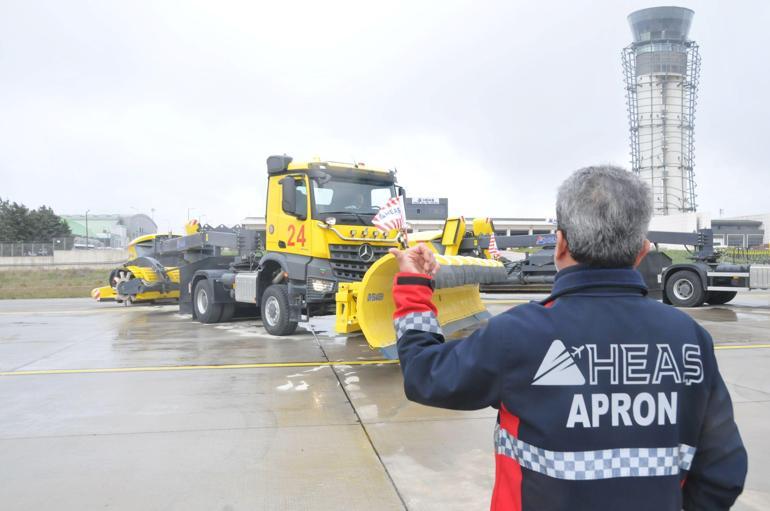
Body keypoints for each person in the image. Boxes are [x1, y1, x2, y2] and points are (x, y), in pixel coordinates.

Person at [388, 166, 747, 510]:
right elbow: (722, 470)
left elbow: (425, 375)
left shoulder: (518, 334)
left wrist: (414, 288)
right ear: (642, 250)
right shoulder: (689, 340)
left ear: (560, 244)